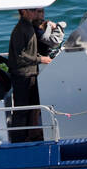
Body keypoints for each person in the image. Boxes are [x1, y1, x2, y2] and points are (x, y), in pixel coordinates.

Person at [8, 7, 54, 142]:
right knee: (22, 109)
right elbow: (20, 56)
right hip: (22, 75)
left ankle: (29, 135)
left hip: (30, 73)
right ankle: (18, 140)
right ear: (23, 11)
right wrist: (41, 59)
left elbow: (30, 51)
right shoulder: (20, 29)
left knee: (31, 105)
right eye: (33, 10)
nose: (36, 12)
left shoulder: (28, 26)